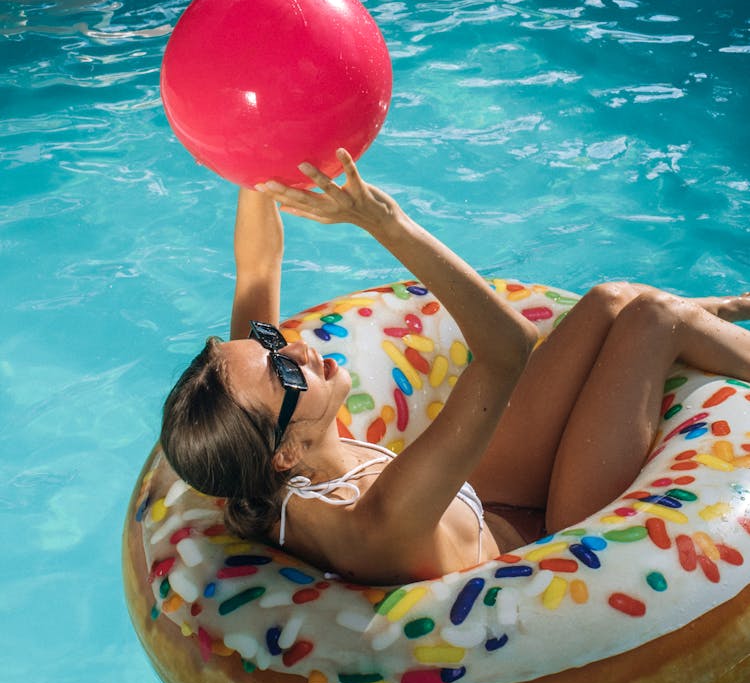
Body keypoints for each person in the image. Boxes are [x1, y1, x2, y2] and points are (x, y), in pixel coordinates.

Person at [161, 149, 750, 585]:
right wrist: (382, 221)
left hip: (483, 499)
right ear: (284, 453)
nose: (296, 349)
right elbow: (508, 347)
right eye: (283, 372)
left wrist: (265, 133)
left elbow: (257, 267)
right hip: (555, 539)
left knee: (608, 301)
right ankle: (704, 321)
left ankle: (717, 312)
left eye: (270, 340)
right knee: (652, 316)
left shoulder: (253, 445)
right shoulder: (375, 521)